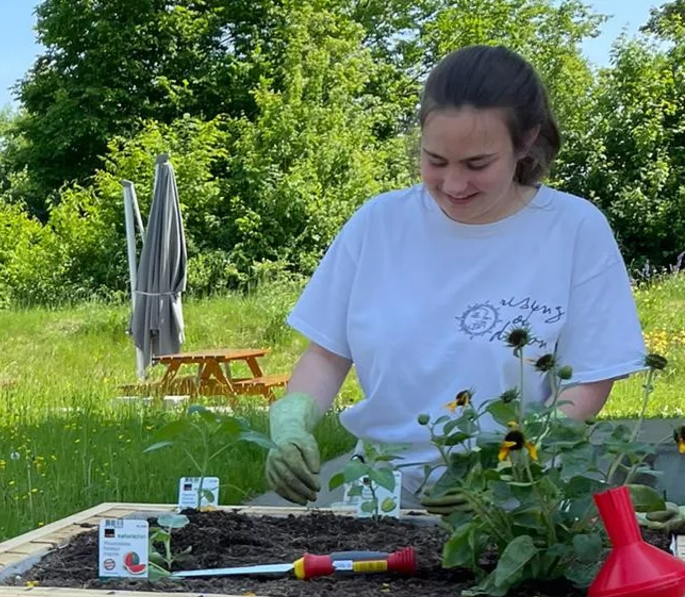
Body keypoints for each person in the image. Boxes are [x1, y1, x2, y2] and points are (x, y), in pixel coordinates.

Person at [262, 44, 654, 515]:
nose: (452, 185)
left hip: (517, 494)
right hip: (381, 489)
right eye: (435, 161)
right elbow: (326, 355)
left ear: (526, 141)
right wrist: (291, 423)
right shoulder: (378, 224)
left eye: (477, 165)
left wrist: (505, 469)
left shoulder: (573, 229)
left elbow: (587, 383)